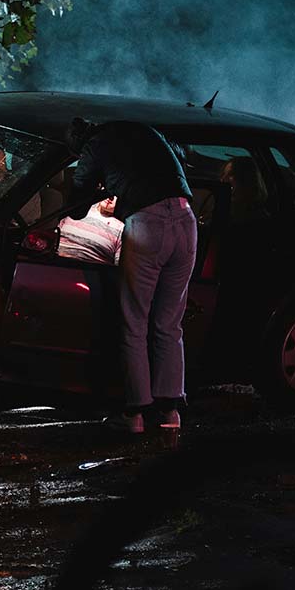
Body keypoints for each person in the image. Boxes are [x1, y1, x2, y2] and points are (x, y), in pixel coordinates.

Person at [65, 118, 197, 434]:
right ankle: (170, 413)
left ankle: (135, 413)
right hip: (186, 219)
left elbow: (76, 207)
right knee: (169, 322)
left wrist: (93, 189)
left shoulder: (94, 146)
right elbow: (182, 153)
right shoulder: (144, 129)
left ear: (80, 140)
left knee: (134, 320)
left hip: (148, 225)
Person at [57, 196, 123, 265]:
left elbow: (119, 266)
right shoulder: (78, 211)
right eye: (111, 191)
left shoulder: (121, 228)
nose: (111, 197)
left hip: (91, 271)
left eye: (117, 195)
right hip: (57, 265)